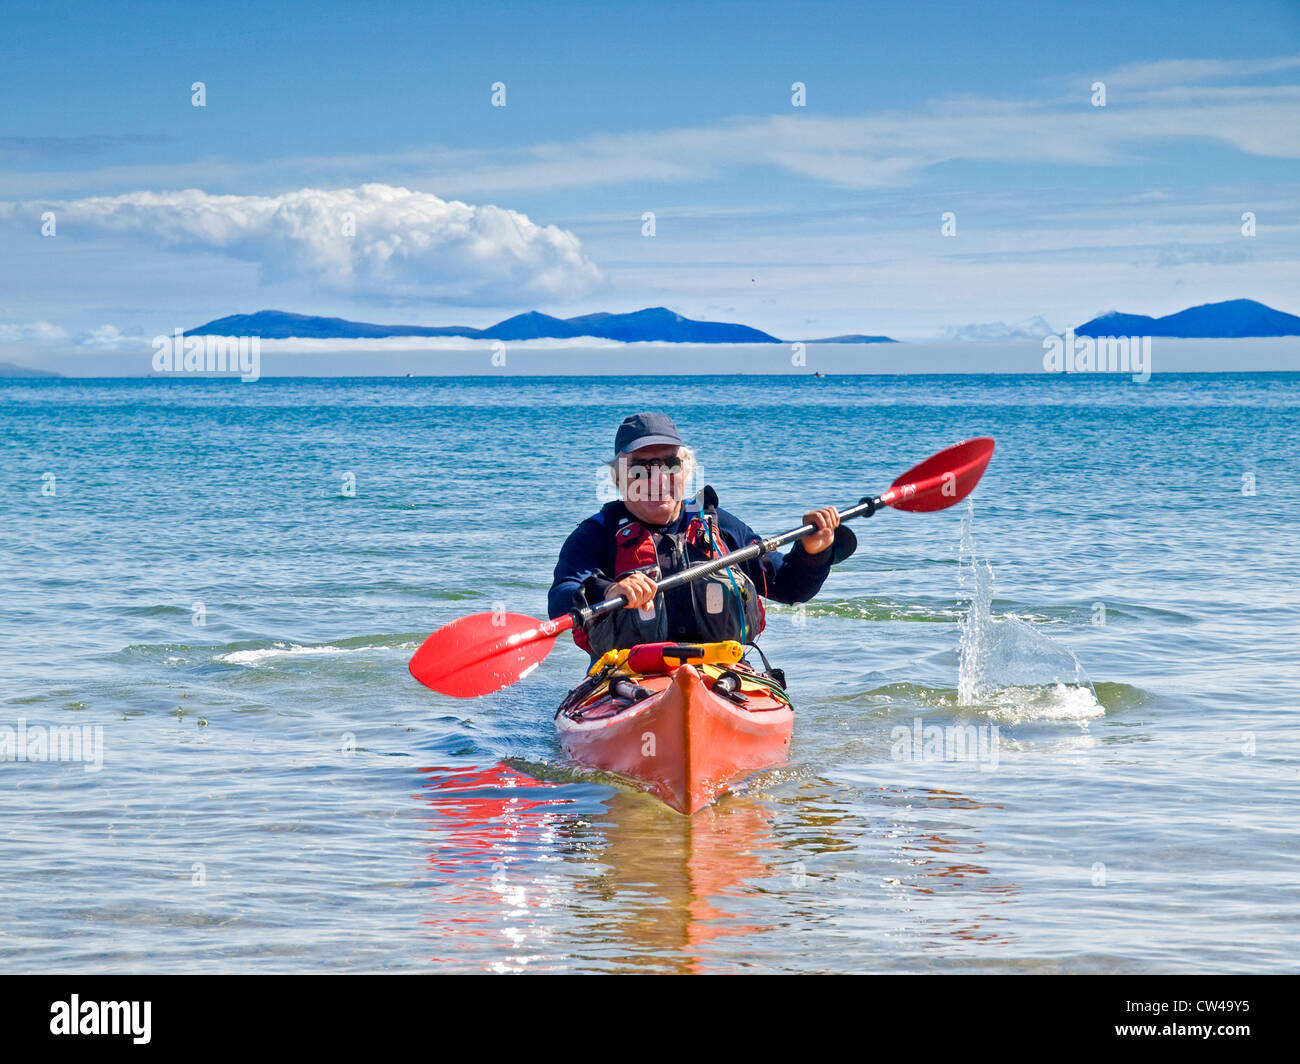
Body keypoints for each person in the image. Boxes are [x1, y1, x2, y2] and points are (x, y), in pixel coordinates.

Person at [548, 412, 855, 660]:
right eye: (640, 467)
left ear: (687, 471)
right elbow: (562, 598)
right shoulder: (595, 535)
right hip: (627, 678)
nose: (657, 477)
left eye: (669, 464)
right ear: (618, 478)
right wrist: (609, 590)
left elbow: (789, 587)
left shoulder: (721, 527)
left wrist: (813, 552)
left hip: (722, 675)